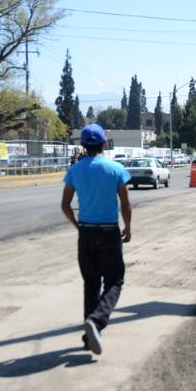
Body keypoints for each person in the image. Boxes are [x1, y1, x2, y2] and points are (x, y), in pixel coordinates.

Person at [60, 124, 132, 356]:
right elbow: (125, 203)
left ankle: (88, 338)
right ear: (104, 144)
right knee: (115, 280)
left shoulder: (75, 171)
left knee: (91, 284)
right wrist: (128, 227)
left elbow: (65, 206)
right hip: (109, 232)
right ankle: (97, 321)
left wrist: (78, 225)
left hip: (86, 233)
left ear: (83, 145)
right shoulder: (116, 169)